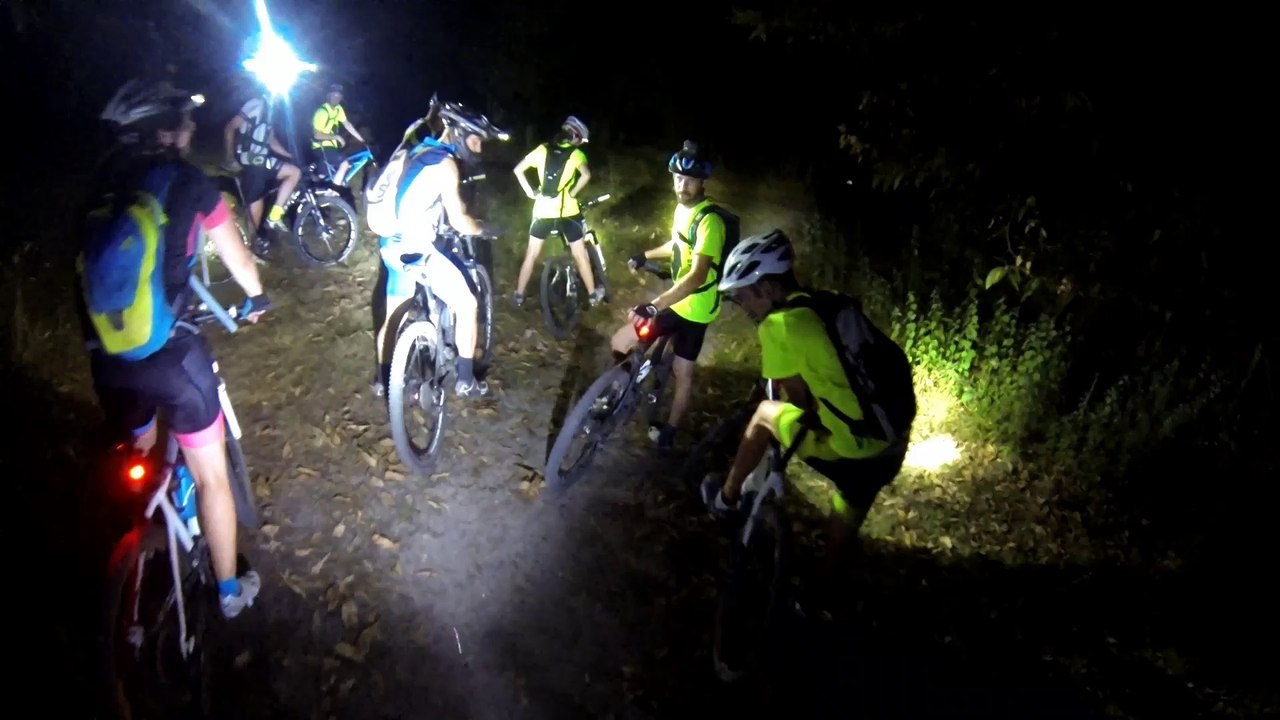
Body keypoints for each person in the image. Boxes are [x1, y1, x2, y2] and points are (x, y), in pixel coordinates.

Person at [84, 78, 273, 619]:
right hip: (170, 355)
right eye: (184, 121)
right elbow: (238, 259)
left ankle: (132, 545)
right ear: (165, 132)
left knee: (140, 453)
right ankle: (229, 591)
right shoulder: (191, 182)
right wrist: (257, 298)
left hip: (106, 356)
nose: (193, 128)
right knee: (212, 475)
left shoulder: (103, 185)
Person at [700, 229, 911, 561]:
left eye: (744, 296)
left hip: (850, 453)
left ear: (768, 288)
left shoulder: (779, 325)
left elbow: (797, 400)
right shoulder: (828, 305)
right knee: (850, 503)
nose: (742, 306)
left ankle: (726, 501)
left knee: (765, 414)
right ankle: (820, 593)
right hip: (892, 443)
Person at [371, 100, 508, 398]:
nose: (478, 149)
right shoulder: (445, 163)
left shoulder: (417, 151)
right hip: (418, 250)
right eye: (476, 141)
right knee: (468, 304)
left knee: (394, 315)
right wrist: (484, 228)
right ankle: (465, 379)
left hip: (391, 247)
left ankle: (383, 381)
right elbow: (459, 222)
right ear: (459, 133)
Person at [610, 140, 727, 450]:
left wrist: (655, 304)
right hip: (676, 300)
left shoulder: (711, 222)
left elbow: (698, 274)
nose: (681, 185)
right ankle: (614, 392)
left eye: (688, 179)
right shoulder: (681, 210)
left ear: (702, 181)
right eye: (677, 177)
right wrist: (644, 254)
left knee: (681, 372)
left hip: (696, 309)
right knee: (620, 341)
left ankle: (670, 430)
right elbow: (677, 245)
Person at [510, 116, 599, 307]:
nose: (580, 143)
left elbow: (518, 170)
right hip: (568, 213)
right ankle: (592, 294)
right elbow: (586, 175)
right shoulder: (577, 155)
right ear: (575, 137)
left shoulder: (542, 149)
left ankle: (518, 294)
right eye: (580, 140)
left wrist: (530, 192)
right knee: (580, 255)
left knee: (531, 254)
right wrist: (573, 192)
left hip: (542, 211)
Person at [222, 82, 301, 236]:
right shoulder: (255, 104)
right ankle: (251, 244)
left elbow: (271, 140)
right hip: (250, 159)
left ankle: (273, 218)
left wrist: (290, 156)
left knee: (294, 172)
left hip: (262, 159)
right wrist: (230, 158)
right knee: (256, 201)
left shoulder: (269, 111)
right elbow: (230, 128)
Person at [311, 83, 367, 186]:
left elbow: (347, 125)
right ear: (328, 95)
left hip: (331, 147)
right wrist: (336, 137)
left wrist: (362, 141)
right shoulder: (322, 112)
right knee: (344, 164)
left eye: (339, 96)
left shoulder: (338, 109)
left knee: (324, 176)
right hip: (321, 147)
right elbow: (316, 135)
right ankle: (334, 191)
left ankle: (319, 192)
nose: (336, 98)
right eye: (334, 95)